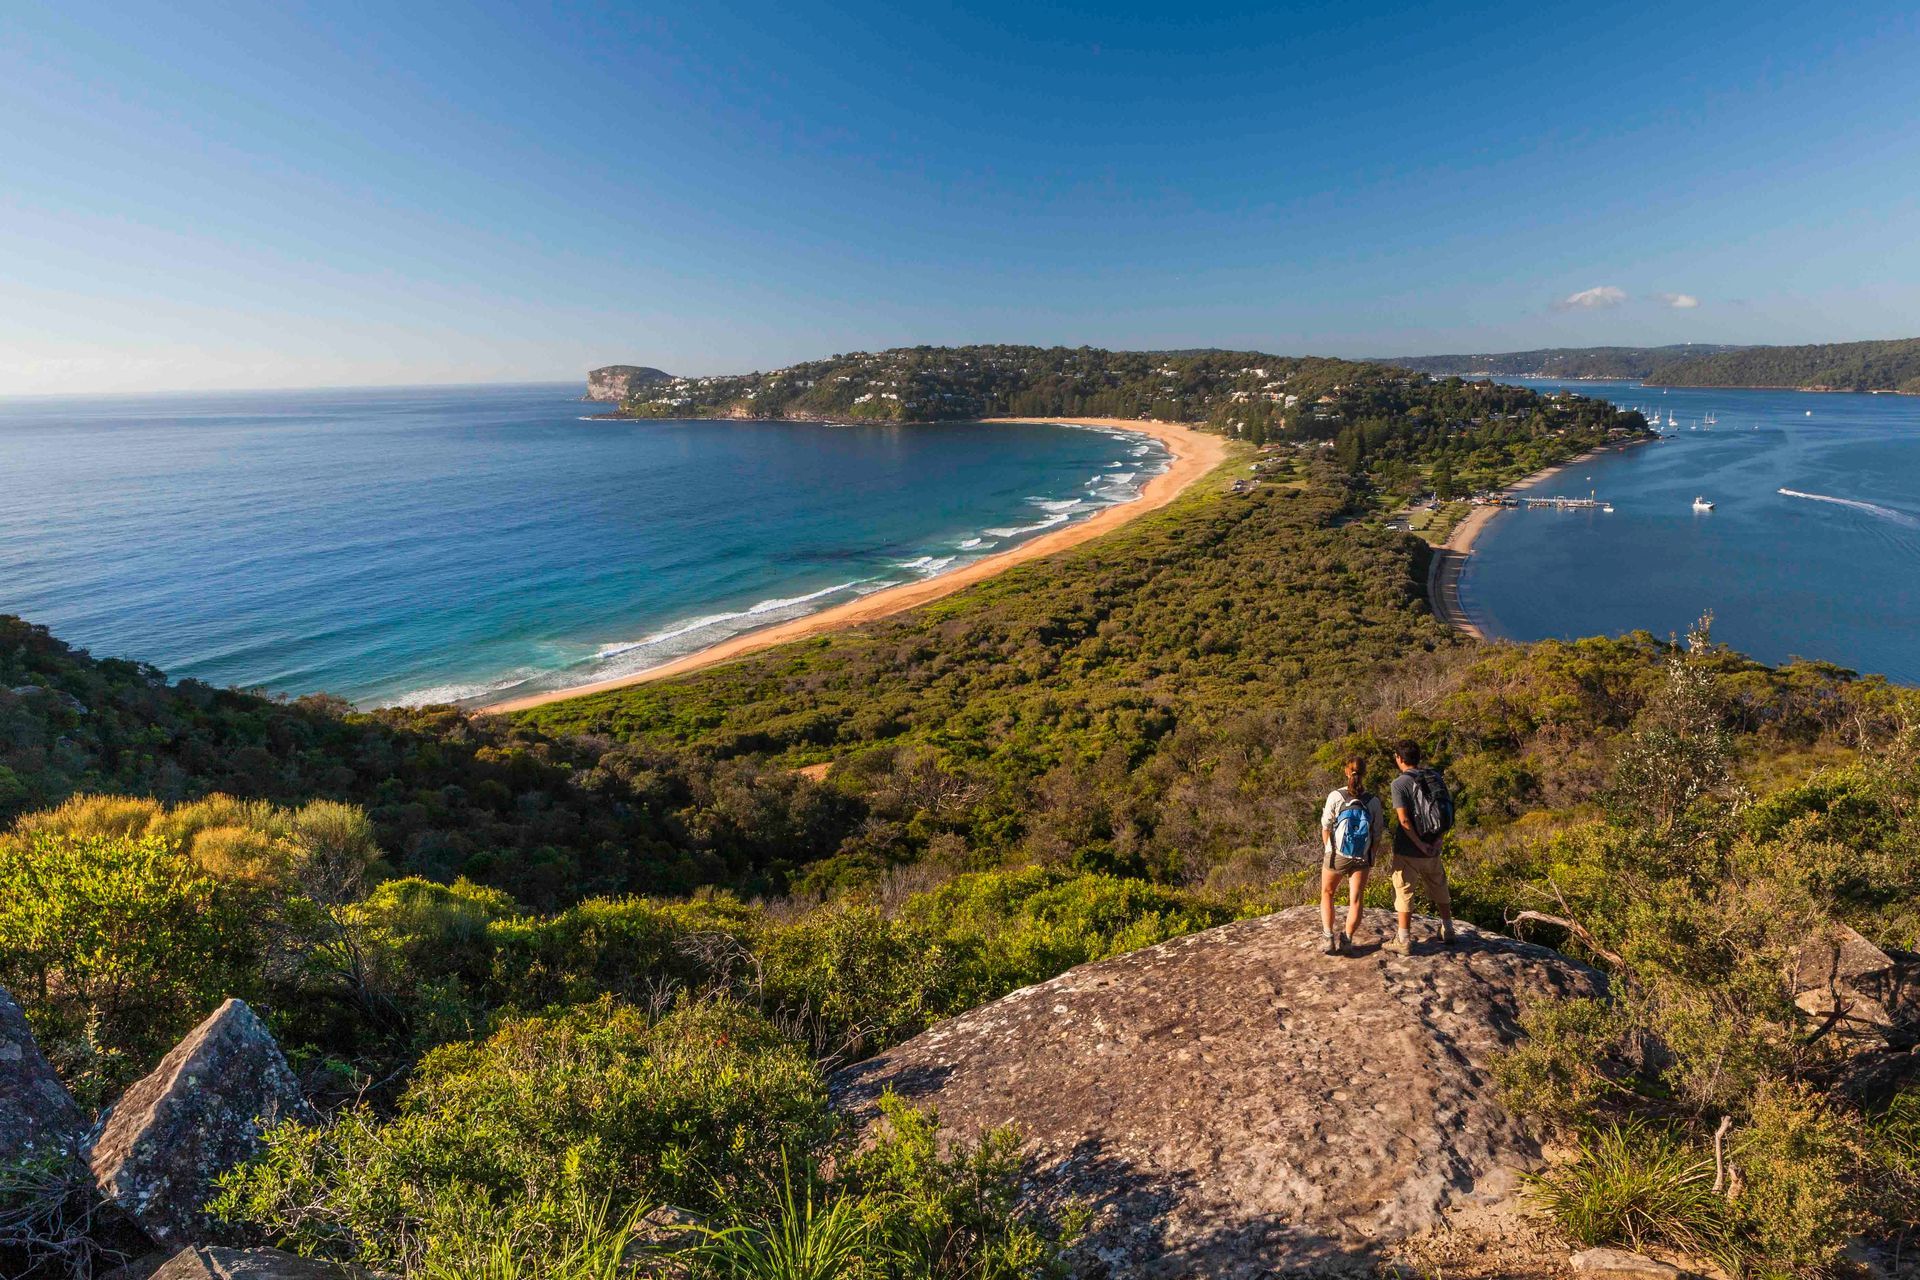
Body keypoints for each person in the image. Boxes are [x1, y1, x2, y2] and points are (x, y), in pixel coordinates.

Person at [1385, 740, 1455, 954]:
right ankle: (1448, 928)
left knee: (1404, 890)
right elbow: (1446, 811)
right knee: (1439, 884)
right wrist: (1437, 841)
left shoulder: (1399, 784)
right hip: (1433, 844)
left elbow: (1404, 821)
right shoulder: (1434, 777)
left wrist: (1420, 845)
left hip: (1409, 849)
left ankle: (1404, 938)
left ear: (1399, 758)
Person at [1318, 755, 1383, 955]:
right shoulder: (1373, 801)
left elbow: (1326, 827)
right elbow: (1377, 833)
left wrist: (1330, 849)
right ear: (1364, 774)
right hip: (1362, 857)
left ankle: (1328, 938)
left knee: (1328, 893)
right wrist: (1370, 855)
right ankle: (1347, 940)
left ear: (1346, 771)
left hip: (1337, 854)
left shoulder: (1336, 796)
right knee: (1355, 899)